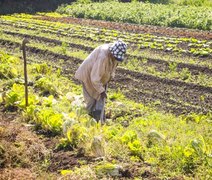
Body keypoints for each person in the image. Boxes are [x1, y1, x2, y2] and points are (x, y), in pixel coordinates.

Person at [75, 40, 127, 122]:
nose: (116, 59)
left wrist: (109, 78)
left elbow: (112, 68)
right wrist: (102, 91)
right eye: (115, 57)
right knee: (91, 101)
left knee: (100, 101)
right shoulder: (103, 57)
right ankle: (82, 121)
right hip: (88, 76)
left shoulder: (114, 55)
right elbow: (94, 78)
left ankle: (99, 121)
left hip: (99, 78)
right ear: (112, 53)